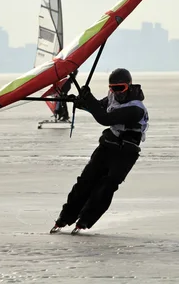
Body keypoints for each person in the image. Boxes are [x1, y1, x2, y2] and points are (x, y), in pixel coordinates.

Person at [50, 68, 149, 234]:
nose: (117, 93)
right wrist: (79, 101)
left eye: (121, 88)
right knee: (85, 182)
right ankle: (65, 218)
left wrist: (88, 99)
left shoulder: (135, 108)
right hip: (107, 146)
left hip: (125, 153)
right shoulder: (112, 97)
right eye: (113, 88)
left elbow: (105, 118)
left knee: (106, 186)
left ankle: (84, 221)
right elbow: (98, 107)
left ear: (129, 86)